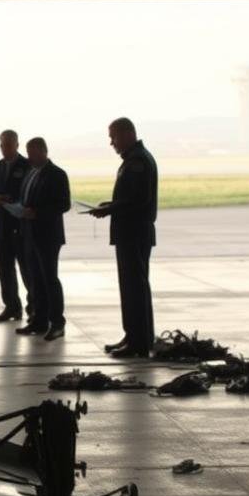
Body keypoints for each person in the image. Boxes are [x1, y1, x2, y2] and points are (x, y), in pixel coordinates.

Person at [89, 117, 158, 358]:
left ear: (128, 134)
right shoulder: (133, 159)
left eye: (114, 137)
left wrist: (110, 209)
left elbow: (140, 201)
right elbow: (130, 199)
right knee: (130, 287)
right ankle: (134, 335)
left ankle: (139, 342)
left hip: (134, 232)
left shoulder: (138, 161)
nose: (111, 143)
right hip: (131, 232)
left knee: (135, 287)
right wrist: (112, 205)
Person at [17, 137, 70, 340]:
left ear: (43, 151)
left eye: (32, 153)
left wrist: (37, 213)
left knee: (49, 279)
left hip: (48, 236)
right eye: (28, 153)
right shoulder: (32, 173)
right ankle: (39, 321)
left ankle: (57, 322)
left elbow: (63, 204)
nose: (29, 157)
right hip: (30, 234)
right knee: (35, 280)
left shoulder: (57, 174)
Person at [0, 130, 32, 323]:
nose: (5, 148)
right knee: (4, 270)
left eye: (9, 144)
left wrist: (12, 200)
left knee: (27, 269)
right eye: (2, 145)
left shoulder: (28, 165)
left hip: (21, 226)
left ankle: (35, 307)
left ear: (17, 145)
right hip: (0, 226)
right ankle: (12, 307)